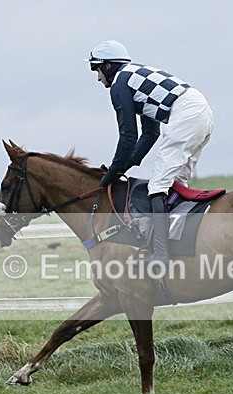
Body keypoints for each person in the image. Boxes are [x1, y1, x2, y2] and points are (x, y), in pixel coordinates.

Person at [87, 40, 214, 266]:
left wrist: (112, 173)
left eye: (96, 69)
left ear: (107, 66)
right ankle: (178, 242)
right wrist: (125, 166)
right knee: (177, 183)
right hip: (200, 111)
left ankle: (160, 254)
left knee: (158, 186)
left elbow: (128, 136)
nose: (98, 78)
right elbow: (150, 133)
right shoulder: (135, 78)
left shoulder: (119, 83)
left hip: (186, 114)